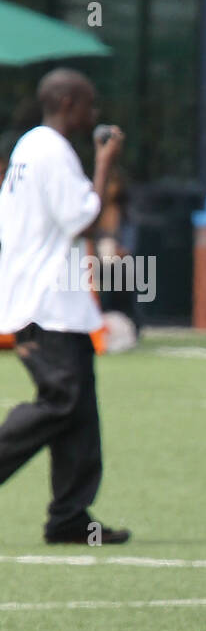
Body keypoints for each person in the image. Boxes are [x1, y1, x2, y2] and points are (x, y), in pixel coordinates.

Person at [0, 69, 130, 545]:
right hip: (46, 303)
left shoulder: (26, 150)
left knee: (79, 413)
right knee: (61, 403)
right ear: (69, 102)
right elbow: (83, 218)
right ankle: (68, 514)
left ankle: (70, 518)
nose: (93, 115)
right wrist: (104, 162)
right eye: (89, 105)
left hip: (55, 303)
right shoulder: (51, 150)